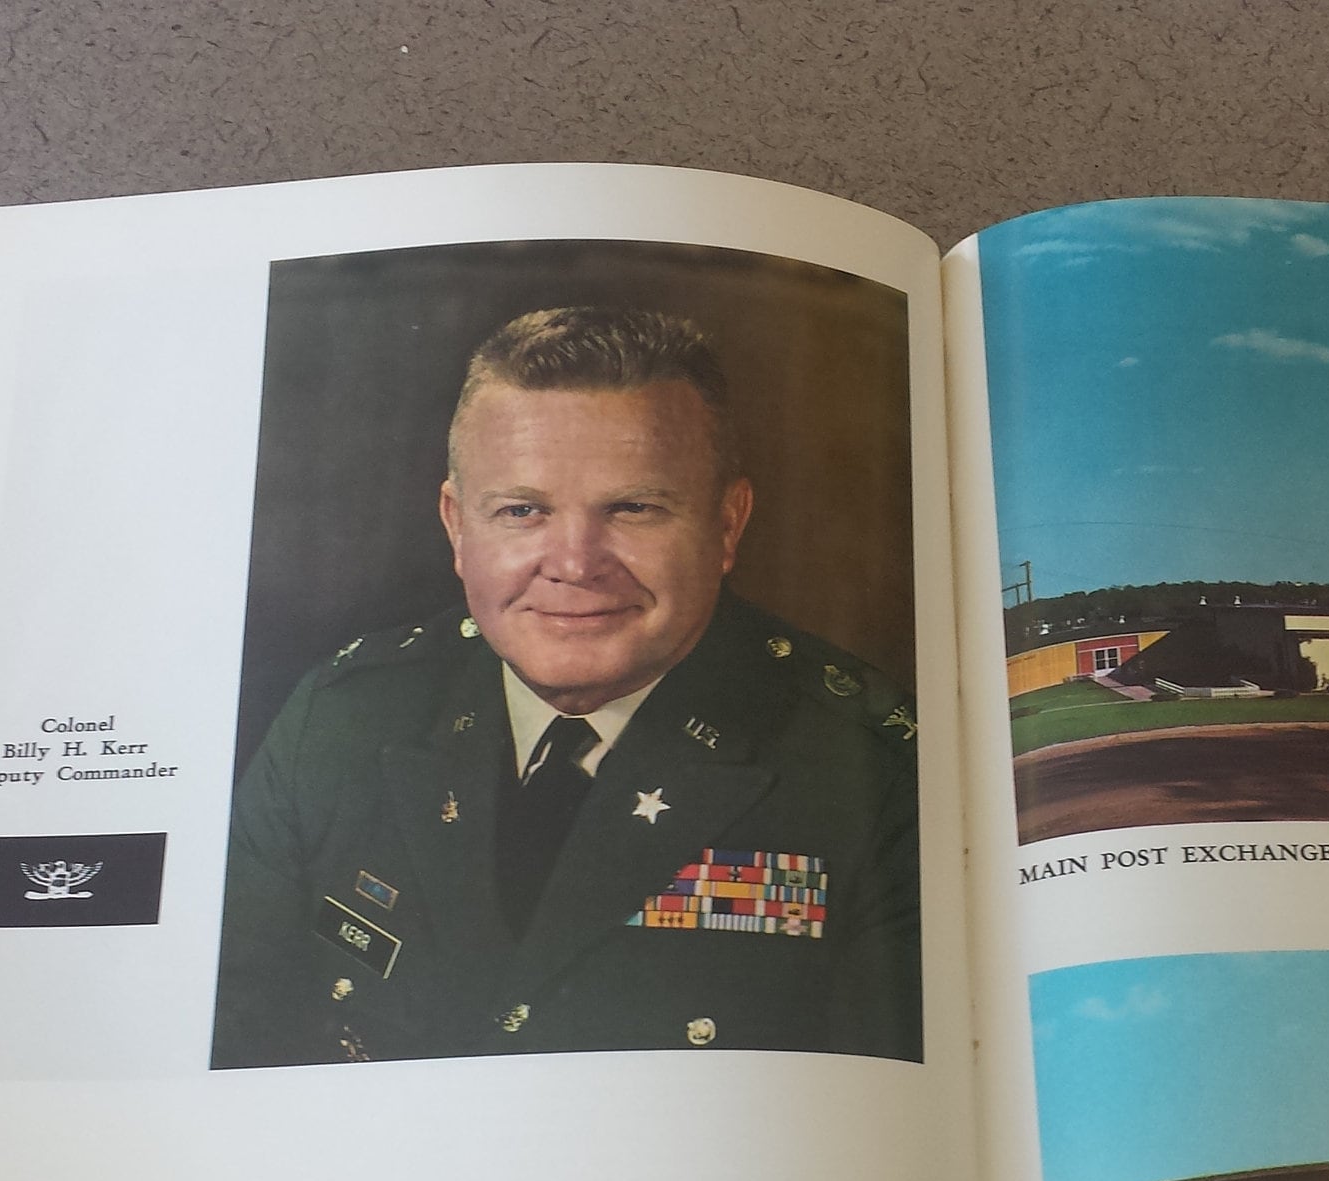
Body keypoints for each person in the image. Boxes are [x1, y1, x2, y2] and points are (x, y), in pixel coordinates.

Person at [212, 306, 921, 1066]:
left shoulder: (869, 770)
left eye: (634, 509)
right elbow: (236, 1043)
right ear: (457, 526)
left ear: (727, 524)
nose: (576, 564)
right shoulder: (342, 720)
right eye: (523, 511)